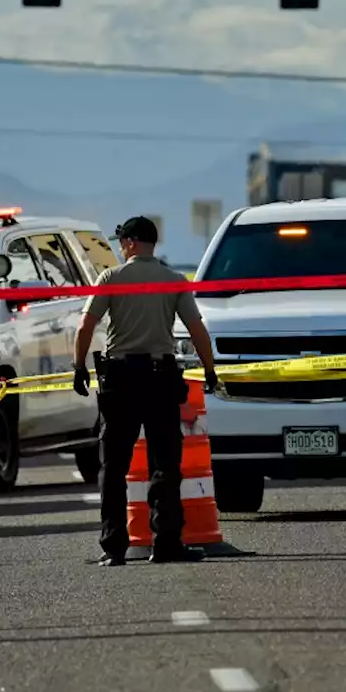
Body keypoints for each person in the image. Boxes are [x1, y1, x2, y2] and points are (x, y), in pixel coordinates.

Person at [72, 216, 219, 566]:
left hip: (120, 378)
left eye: (122, 242)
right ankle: (166, 543)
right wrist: (210, 368)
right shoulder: (173, 281)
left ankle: (114, 548)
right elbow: (197, 328)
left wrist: (79, 367)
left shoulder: (111, 278)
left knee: (113, 465)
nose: (121, 248)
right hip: (160, 377)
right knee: (165, 464)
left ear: (132, 243)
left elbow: (86, 325)